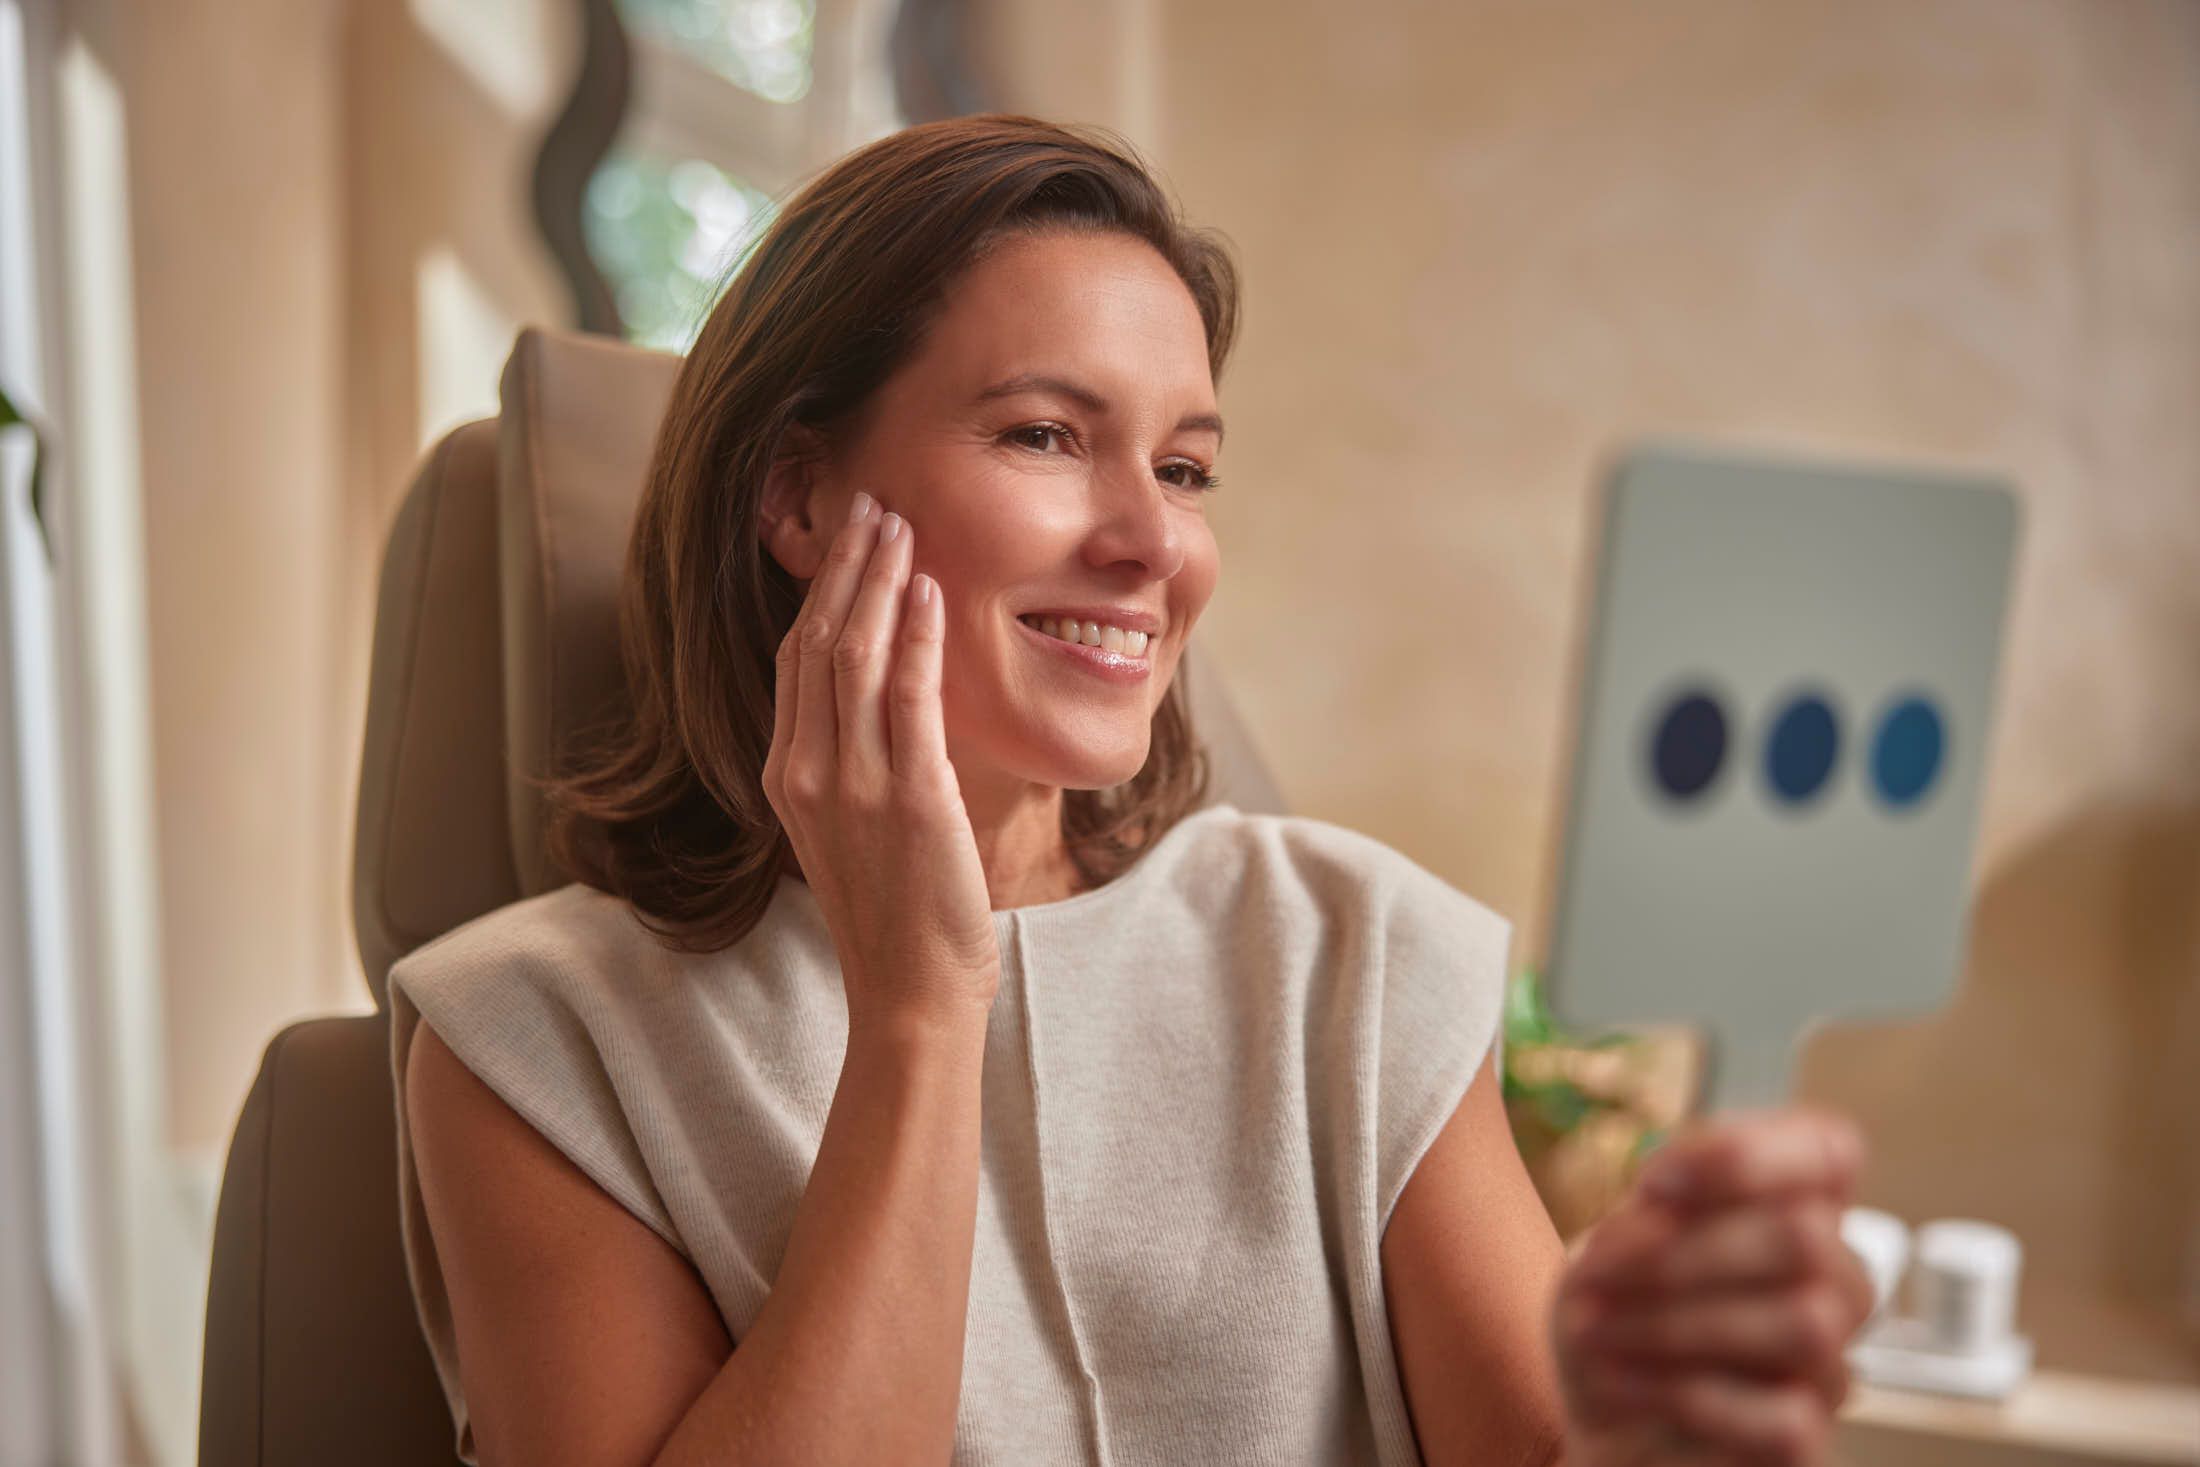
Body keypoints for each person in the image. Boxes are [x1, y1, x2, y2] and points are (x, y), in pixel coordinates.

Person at [389, 114, 1873, 1467]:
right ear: (796, 498)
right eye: (1046, 436)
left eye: (1183, 467)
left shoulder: (1353, 959)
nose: (1152, 544)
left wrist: (1664, 1426)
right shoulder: (538, 1045)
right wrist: (918, 1013)